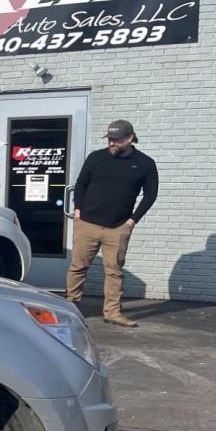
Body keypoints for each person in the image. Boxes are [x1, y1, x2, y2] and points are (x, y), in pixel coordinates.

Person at [66, 120, 158, 326]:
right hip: (87, 223)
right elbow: (81, 184)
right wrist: (78, 209)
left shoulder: (145, 163)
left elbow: (151, 194)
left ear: (130, 138)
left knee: (114, 271)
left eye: (116, 140)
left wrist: (133, 220)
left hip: (118, 227)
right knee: (78, 266)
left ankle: (112, 312)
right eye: (110, 139)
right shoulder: (96, 158)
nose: (112, 143)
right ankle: (71, 307)